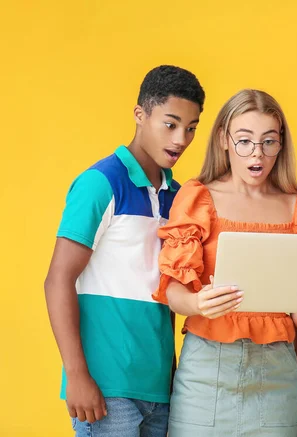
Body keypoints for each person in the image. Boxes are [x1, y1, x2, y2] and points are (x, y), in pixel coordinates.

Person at [152, 89, 297, 436]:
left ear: (281, 145)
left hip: (277, 372)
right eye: (245, 141)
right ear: (224, 140)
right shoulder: (198, 197)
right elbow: (173, 289)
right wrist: (197, 303)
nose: (257, 153)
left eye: (269, 142)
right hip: (206, 371)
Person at [44, 65, 205, 437]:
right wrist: (77, 375)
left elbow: (166, 290)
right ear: (140, 114)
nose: (181, 138)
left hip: (160, 388)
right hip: (106, 388)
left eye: (192, 127)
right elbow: (57, 281)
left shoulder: (177, 197)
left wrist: (172, 374)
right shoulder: (101, 184)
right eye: (171, 123)